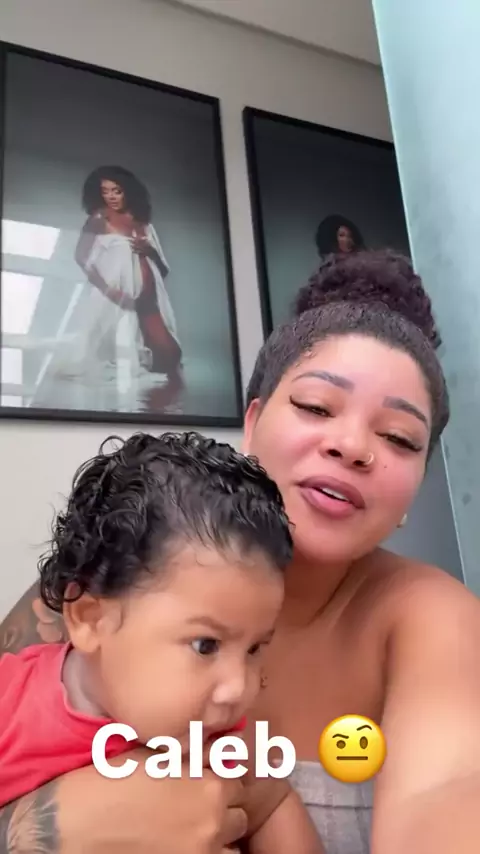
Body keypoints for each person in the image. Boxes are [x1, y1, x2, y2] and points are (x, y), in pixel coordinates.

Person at [2, 249, 480, 854]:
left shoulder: (434, 620)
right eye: (315, 406)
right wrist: (37, 829)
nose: (352, 445)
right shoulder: (114, 572)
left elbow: (447, 794)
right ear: (252, 423)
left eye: (398, 438)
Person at [0, 431, 322, 854]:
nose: (239, 688)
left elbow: (274, 803)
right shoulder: (10, 707)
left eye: (254, 649)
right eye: (206, 645)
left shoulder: (217, 740)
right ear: (91, 619)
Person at [55, 165, 182, 390]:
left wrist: (149, 251)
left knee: (171, 357)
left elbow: (163, 270)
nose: (111, 197)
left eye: (117, 191)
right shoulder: (98, 219)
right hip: (117, 297)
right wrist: (109, 290)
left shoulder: (143, 223)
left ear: (128, 191)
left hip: (149, 299)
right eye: (105, 191)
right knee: (110, 353)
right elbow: (81, 258)